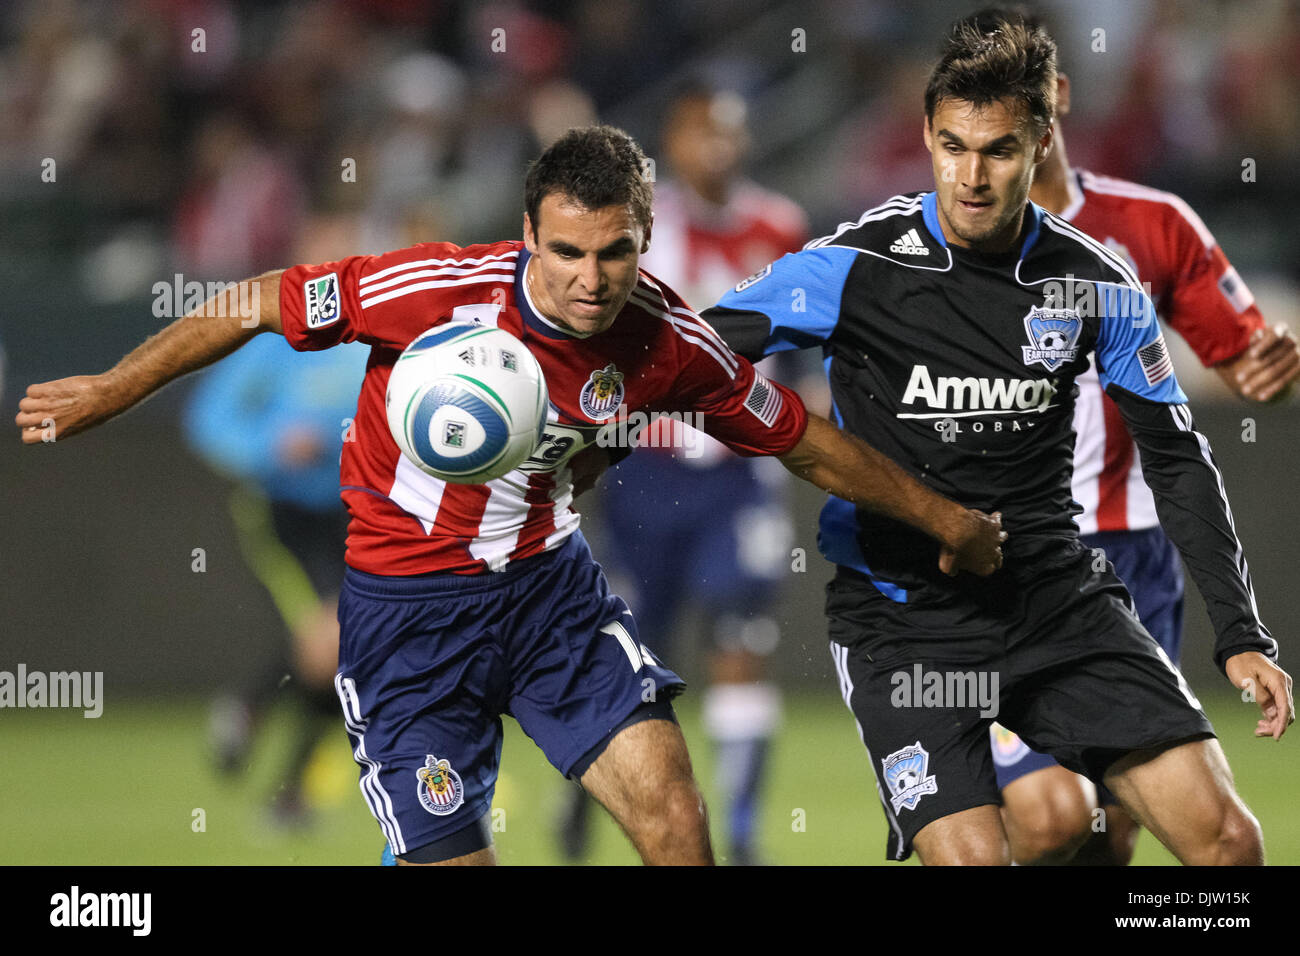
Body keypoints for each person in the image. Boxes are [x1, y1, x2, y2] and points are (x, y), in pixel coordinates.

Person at [16, 125, 1005, 866]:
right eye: (566, 251)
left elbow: (805, 443)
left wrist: (947, 519)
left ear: (643, 238)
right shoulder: (431, 292)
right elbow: (257, 299)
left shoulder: (668, 343)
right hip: (408, 619)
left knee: (673, 814)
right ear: (529, 231)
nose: (590, 279)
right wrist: (109, 388)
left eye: (614, 252)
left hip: (549, 597)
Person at [702, 17, 1292, 865]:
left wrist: (1239, 633)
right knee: (998, 850)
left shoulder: (1097, 283)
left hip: (1054, 602)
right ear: (928, 138)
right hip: (904, 623)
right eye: (952, 146)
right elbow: (692, 350)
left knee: (1230, 846)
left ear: (1043, 140)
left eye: (999, 151)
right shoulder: (854, 266)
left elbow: (1177, 459)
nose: (971, 176)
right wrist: (595, 424)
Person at [971, 6, 1300, 866]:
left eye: (1025, 99)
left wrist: (1275, 372)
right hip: (1004, 565)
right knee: (1049, 816)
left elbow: (1247, 364)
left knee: (1116, 825)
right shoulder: (929, 250)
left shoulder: (1153, 226)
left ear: (1061, 97)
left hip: (1130, 558)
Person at [559, 85, 811, 865]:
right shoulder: (638, 230)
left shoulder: (781, 225)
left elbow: (801, 352)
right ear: (676, 139)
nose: (719, 151)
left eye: (730, 136)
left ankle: (738, 834)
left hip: (737, 476)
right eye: (704, 135)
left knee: (741, 644)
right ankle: (582, 806)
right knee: (629, 659)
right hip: (647, 471)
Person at [185, 332, 368, 825]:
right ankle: (284, 783)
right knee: (333, 642)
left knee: (351, 646)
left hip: (358, 513)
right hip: (287, 516)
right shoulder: (273, 346)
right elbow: (208, 420)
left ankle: (253, 713)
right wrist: (270, 443)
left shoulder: (373, 334)